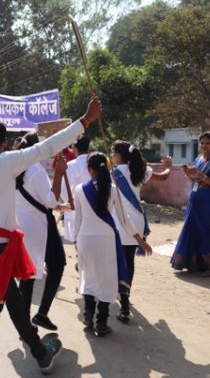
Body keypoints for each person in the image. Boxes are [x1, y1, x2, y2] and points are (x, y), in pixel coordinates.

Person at [0, 96, 102, 377]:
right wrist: (85, 120)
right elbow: (48, 146)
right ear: (4, 142)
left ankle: (35, 354)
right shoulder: (8, 162)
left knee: (10, 307)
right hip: (2, 250)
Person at [73, 152, 151, 337]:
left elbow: (78, 219)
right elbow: (124, 221)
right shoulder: (114, 189)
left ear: (89, 169)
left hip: (85, 238)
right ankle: (101, 323)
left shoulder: (78, 189)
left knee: (89, 275)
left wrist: (76, 241)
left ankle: (88, 315)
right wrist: (141, 241)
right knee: (107, 280)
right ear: (107, 168)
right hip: (107, 239)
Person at [111, 140, 171, 322]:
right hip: (136, 220)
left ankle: (121, 300)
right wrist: (168, 166)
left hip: (119, 221)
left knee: (115, 262)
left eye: (113, 153)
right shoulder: (140, 171)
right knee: (129, 262)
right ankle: (125, 303)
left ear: (118, 156)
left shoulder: (112, 173)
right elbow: (164, 176)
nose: (112, 156)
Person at [15, 131, 68, 331]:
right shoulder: (35, 169)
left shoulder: (16, 167)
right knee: (57, 265)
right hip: (41, 225)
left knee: (27, 274)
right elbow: (50, 200)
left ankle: (24, 323)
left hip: (23, 225)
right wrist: (60, 173)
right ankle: (42, 313)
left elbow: (40, 200)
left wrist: (58, 207)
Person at [172, 132, 210, 276]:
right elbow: (196, 182)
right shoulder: (199, 159)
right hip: (196, 199)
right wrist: (189, 175)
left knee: (208, 232)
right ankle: (194, 264)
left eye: (208, 143)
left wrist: (198, 174)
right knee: (193, 230)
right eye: (202, 143)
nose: (204, 146)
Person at [62, 136, 91, 242]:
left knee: (78, 241)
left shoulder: (70, 165)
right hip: (93, 206)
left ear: (74, 148)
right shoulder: (94, 163)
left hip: (74, 206)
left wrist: (69, 201)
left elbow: (63, 189)